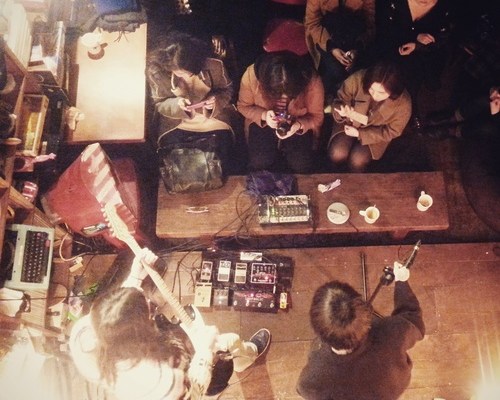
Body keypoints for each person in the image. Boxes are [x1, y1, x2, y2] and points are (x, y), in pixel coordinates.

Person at [69, 248, 271, 399]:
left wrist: (135, 278)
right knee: (221, 362)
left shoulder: (84, 333)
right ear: (141, 334)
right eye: (149, 312)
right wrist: (204, 353)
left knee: (229, 341)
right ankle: (241, 364)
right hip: (183, 387)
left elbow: (119, 315)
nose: (151, 305)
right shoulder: (156, 380)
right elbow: (194, 390)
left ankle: (244, 360)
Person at [296, 262, 425, 400]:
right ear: (363, 308)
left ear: (318, 331)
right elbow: (414, 321)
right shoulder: (392, 333)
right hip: (390, 389)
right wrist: (401, 282)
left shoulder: (313, 377)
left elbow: (303, 391)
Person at [146, 30, 240, 171]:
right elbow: (159, 103)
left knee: (221, 156)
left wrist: (214, 101)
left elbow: (226, 90)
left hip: (213, 119)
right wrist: (177, 105)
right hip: (176, 123)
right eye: (180, 72)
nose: (186, 75)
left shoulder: (213, 65)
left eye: (189, 72)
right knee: (178, 160)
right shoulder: (157, 72)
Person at [237, 50, 324, 173]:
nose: (284, 96)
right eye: (277, 92)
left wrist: (298, 125)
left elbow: (317, 117)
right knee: (259, 161)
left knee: (301, 164)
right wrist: (264, 115)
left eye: (290, 93)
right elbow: (243, 106)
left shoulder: (311, 80)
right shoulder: (252, 76)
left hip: (297, 122)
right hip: (263, 122)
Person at [373, 0, 454, 132]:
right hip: (390, 46)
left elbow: (443, 38)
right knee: (389, 75)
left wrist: (418, 46)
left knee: (413, 77)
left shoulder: (444, 7)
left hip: (423, 54)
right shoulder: (391, 3)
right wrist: (414, 36)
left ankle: (411, 109)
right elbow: (383, 29)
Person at [328, 60, 411, 172]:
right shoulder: (357, 79)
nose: (375, 95)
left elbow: (392, 131)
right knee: (337, 153)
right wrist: (342, 111)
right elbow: (340, 99)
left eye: (381, 93)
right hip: (347, 122)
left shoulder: (403, 104)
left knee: (357, 161)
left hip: (375, 134)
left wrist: (360, 134)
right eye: (372, 89)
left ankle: (356, 178)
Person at [304, 0, 376, 98]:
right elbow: (312, 23)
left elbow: (370, 24)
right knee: (335, 70)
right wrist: (332, 48)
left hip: (355, 36)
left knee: (354, 70)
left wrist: (357, 48)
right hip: (326, 35)